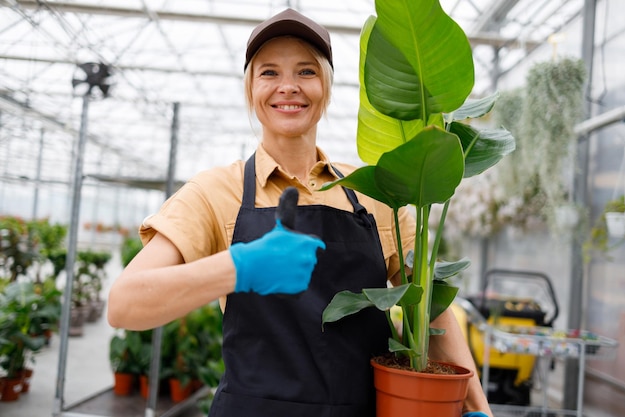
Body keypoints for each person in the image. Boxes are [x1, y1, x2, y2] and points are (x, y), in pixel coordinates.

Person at [107, 8, 492, 417]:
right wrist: (240, 267)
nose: (288, 87)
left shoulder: (378, 191)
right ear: (250, 89)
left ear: (326, 87)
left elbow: (432, 307)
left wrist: (476, 406)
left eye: (306, 72)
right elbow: (124, 305)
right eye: (269, 72)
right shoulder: (217, 191)